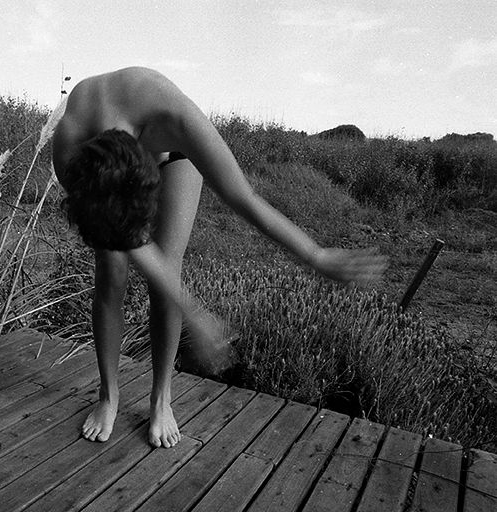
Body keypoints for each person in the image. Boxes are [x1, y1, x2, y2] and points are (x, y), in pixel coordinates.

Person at [51, 67, 386, 449]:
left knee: (168, 267)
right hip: (105, 174)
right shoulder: (71, 150)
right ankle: (109, 396)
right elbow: (128, 239)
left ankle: (161, 399)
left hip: (174, 155)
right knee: (110, 272)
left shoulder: (177, 117)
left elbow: (243, 197)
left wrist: (316, 254)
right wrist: (195, 313)